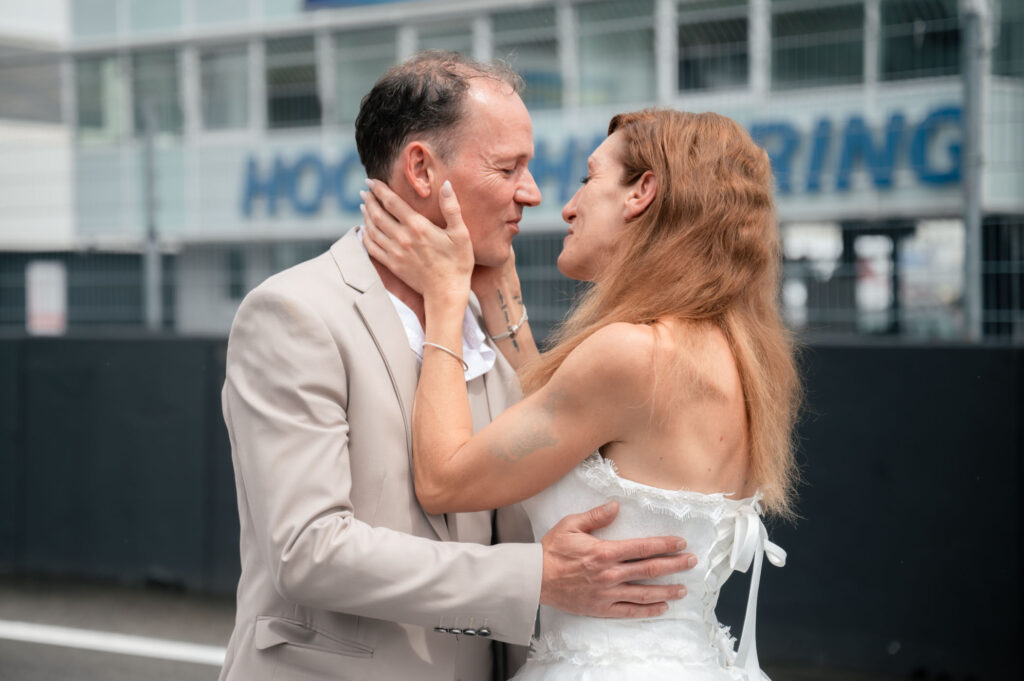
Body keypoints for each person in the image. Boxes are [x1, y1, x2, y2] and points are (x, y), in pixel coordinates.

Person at [218, 53, 697, 681]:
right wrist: (537, 577)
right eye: (508, 168)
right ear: (421, 168)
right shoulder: (293, 313)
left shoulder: (485, 325)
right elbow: (309, 551)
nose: (534, 194)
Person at [361, 108, 801, 680]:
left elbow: (444, 479)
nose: (566, 206)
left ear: (642, 192)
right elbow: (558, 429)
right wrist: (500, 295)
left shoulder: (633, 355)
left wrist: (446, 299)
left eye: (590, 178)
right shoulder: (732, 355)